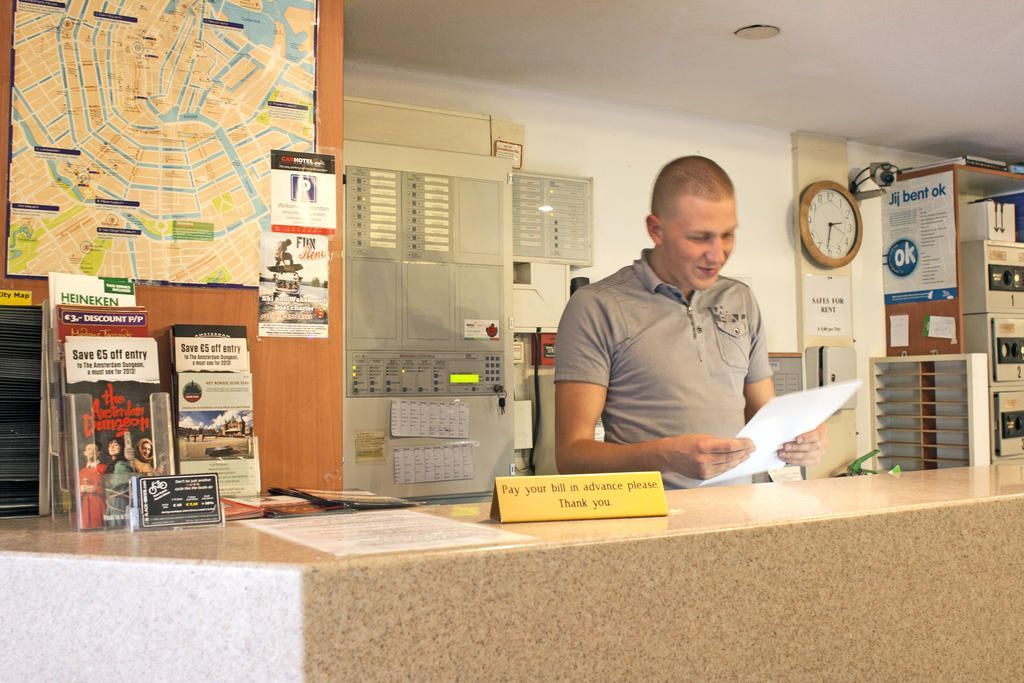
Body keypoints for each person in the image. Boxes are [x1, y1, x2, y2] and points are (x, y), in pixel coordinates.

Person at [554, 155, 827, 487]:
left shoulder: (740, 299)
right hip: (649, 524)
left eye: (727, 235)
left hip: (736, 519)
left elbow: (764, 419)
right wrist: (662, 457)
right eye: (700, 237)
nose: (718, 253)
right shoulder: (597, 306)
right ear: (656, 230)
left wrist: (799, 440)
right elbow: (571, 457)